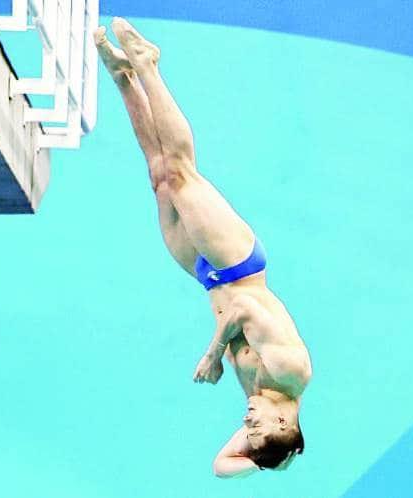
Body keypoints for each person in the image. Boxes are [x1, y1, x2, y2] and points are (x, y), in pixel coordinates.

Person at [94, 18, 313, 477]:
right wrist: (213, 355)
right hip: (237, 265)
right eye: (256, 429)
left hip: (204, 274)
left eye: (246, 430)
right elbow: (247, 312)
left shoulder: (260, 400)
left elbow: (221, 467)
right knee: (180, 172)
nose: (246, 423)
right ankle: (149, 65)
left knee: (159, 178)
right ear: (282, 419)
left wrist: (274, 456)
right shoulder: (291, 373)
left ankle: (123, 77)